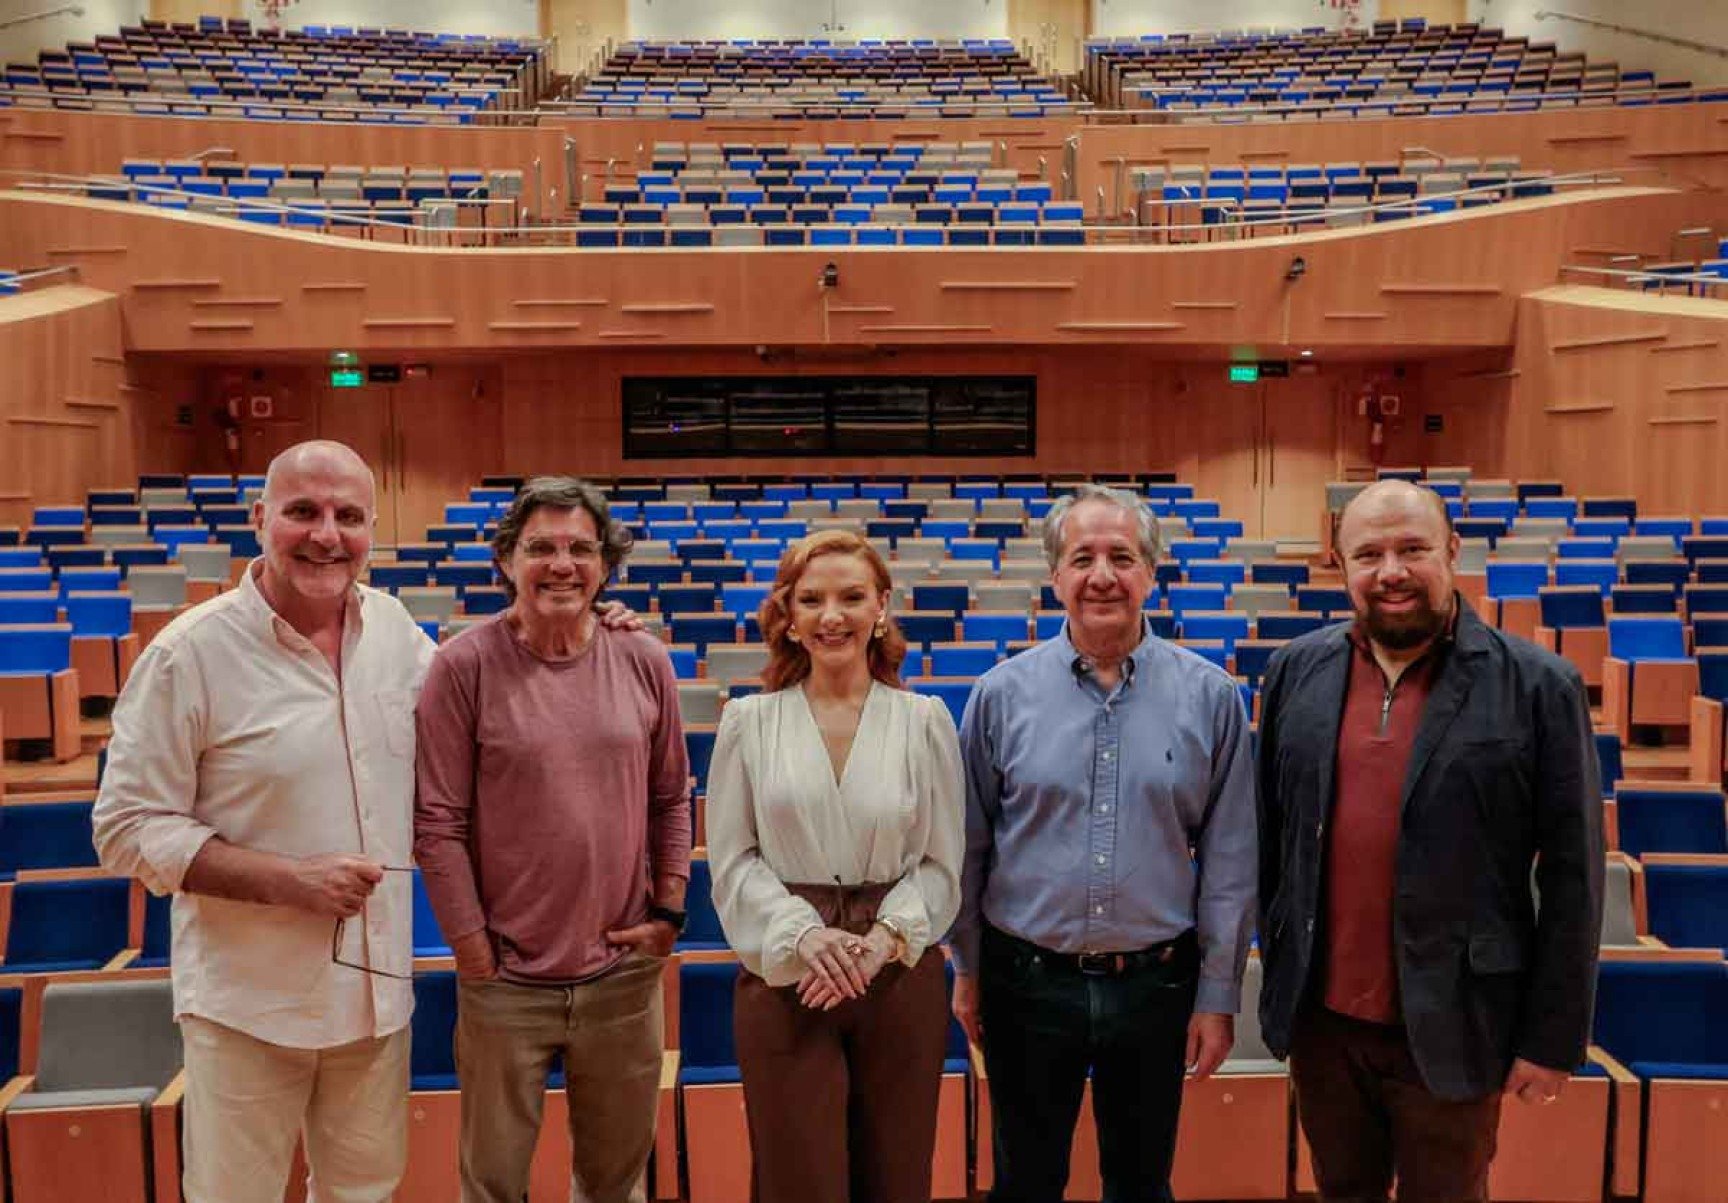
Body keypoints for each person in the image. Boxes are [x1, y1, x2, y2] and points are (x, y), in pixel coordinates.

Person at [92, 440, 432, 1203]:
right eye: (303, 511)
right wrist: (288, 880)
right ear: (260, 519)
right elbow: (123, 825)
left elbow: (475, 709)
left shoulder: (397, 632)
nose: (326, 533)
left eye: (348, 515)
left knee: (365, 1192)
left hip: (375, 999)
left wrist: (581, 625)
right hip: (250, 1004)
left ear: (373, 527)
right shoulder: (189, 653)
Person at [1256, 479, 1604, 1203]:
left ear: (1451, 551)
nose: (1391, 571)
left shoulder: (1539, 684)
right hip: (1325, 1023)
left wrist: (1551, 1037)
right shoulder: (1297, 670)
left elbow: (1575, 877)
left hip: (1458, 1020)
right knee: (1341, 1190)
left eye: (1412, 548)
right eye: (1369, 552)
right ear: (1339, 563)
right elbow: (1272, 840)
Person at [949, 483, 1258, 1203]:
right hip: (1026, 978)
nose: (1102, 574)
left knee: (1142, 1183)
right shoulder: (999, 694)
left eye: (1122, 555)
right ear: (1055, 575)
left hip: (1157, 982)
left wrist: (1217, 994)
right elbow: (968, 845)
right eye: (1082, 556)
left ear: (1152, 571)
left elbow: (1231, 859)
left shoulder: (1212, 696)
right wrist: (968, 966)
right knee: (1025, 1182)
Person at [414, 475, 691, 1203]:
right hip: (506, 982)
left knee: (615, 1182)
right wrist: (473, 948)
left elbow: (671, 798)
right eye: (541, 547)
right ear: (507, 558)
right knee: (494, 1182)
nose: (561, 563)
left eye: (580, 548)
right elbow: (437, 823)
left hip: (623, 978)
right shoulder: (462, 665)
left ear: (605, 564)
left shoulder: (645, 659)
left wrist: (668, 912)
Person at [706, 529, 964, 1203]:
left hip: (900, 971)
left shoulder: (925, 719)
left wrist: (884, 938)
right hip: (789, 970)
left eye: (852, 596)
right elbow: (733, 861)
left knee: (897, 1174)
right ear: (787, 618)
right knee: (800, 1179)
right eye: (812, 599)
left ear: (881, 607)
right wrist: (806, 934)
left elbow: (942, 863)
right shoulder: (748, 722)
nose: (832, 615)